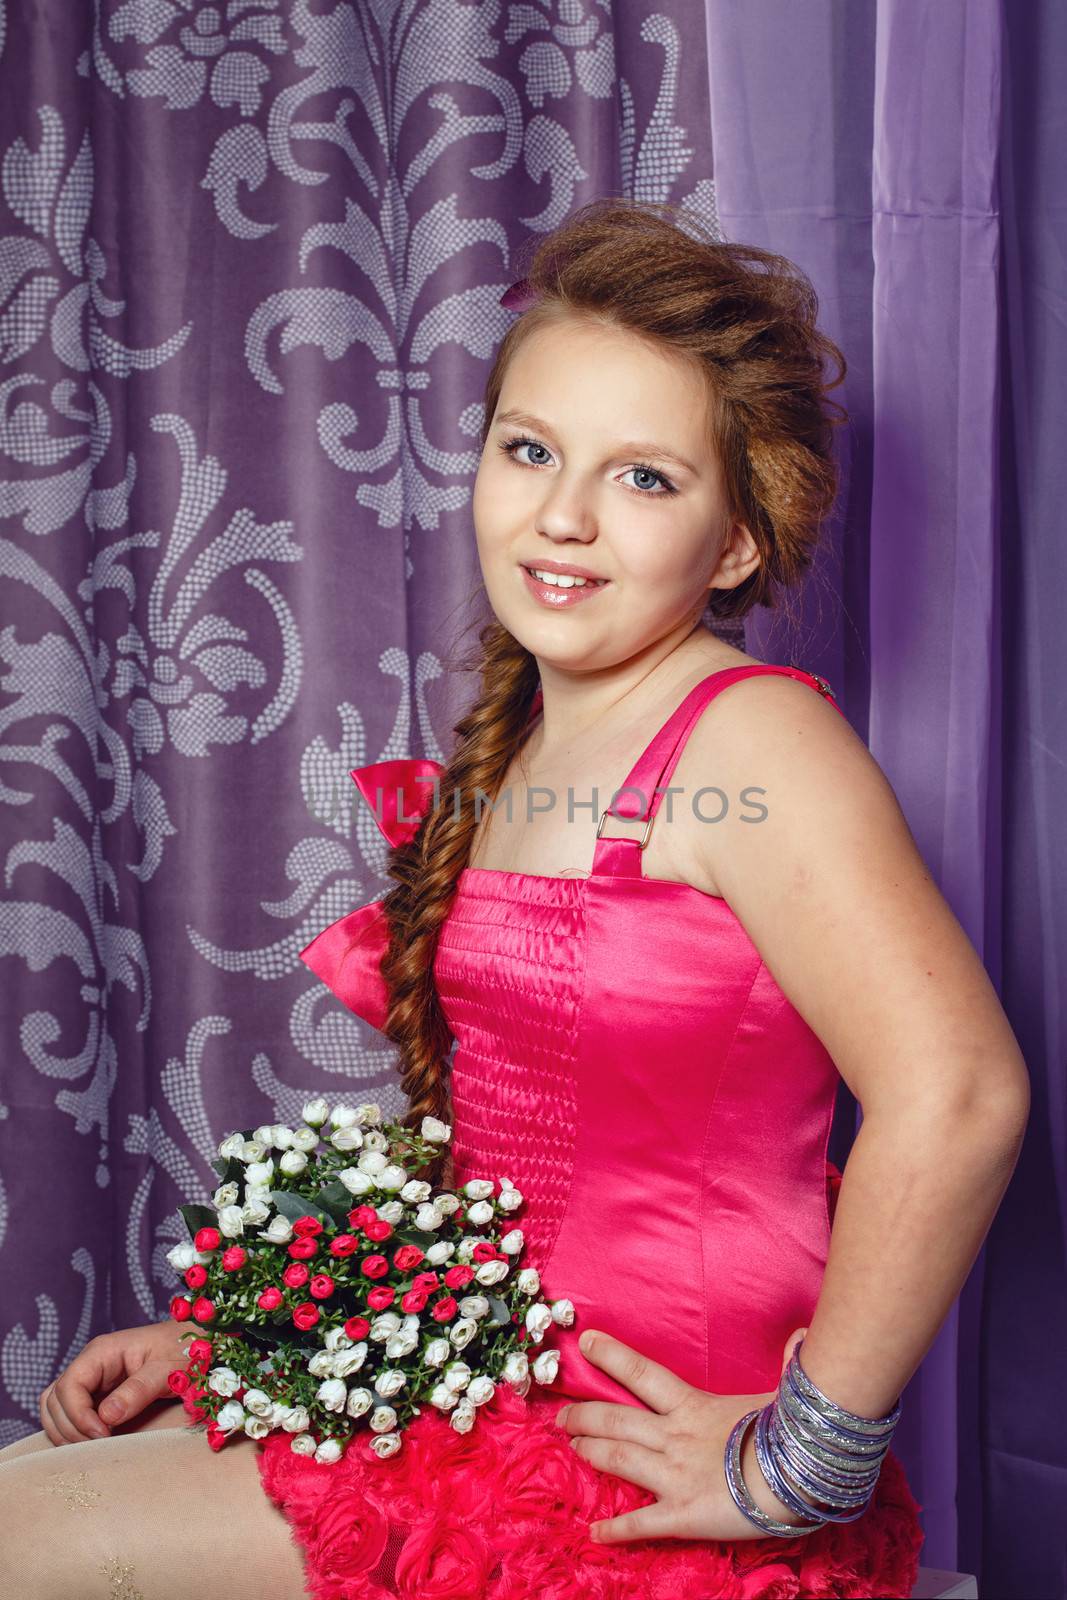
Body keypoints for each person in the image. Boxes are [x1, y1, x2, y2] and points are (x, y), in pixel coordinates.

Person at [0, 198, 1029, 1600]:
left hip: (629, 1469)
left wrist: (806, 1459)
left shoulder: (753, 742)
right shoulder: (520, 751)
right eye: (530, 450)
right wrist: (245, 1343)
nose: (561, 515)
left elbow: (961, 1093)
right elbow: (507, 1175)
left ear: (735, 544)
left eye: (645, 478)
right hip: (481, 1402)